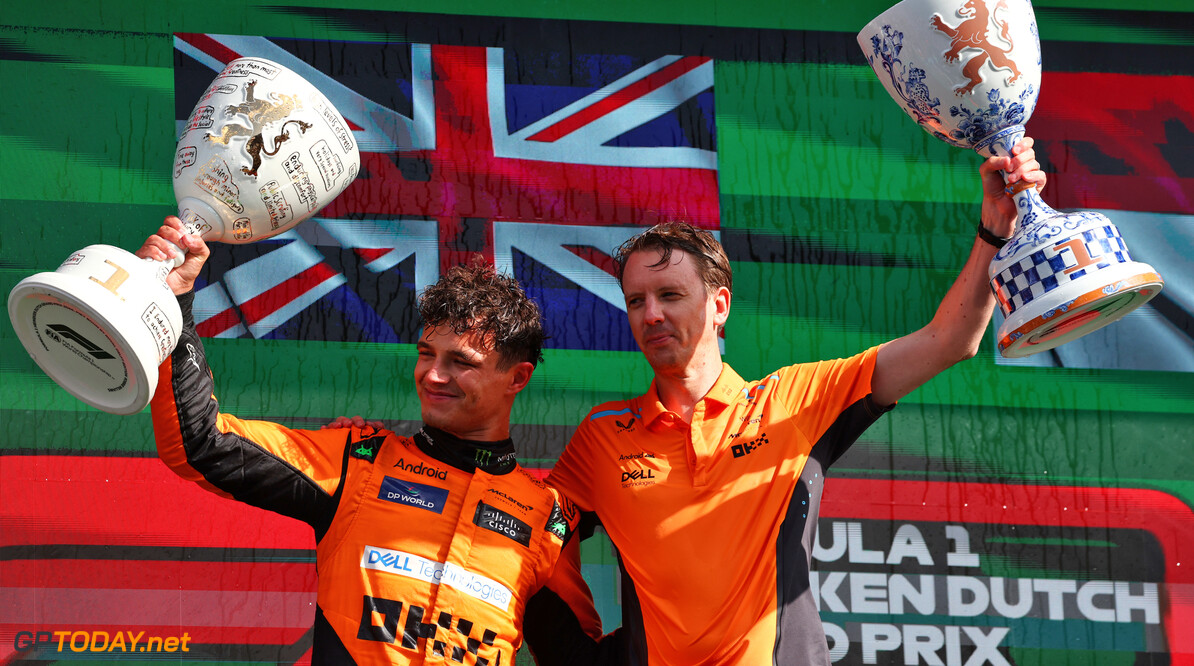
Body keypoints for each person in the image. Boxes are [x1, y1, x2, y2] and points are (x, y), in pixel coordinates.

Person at [545, 139, 1048, 664]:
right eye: (636, 301)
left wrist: (994, 230)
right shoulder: (602, 435)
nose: (650, 315)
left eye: (670, 295)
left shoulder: (795, 398)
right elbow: (536, 536)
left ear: (719, 306)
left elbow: (949, 341)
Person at [139, 216, 622, 665]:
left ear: (517, 378)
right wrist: (175, 300)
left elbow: (579, 659)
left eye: (461, 362)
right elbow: (201, 443)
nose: (433, 375)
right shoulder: (358, 463)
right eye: (426, 353)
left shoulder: (547, 521)